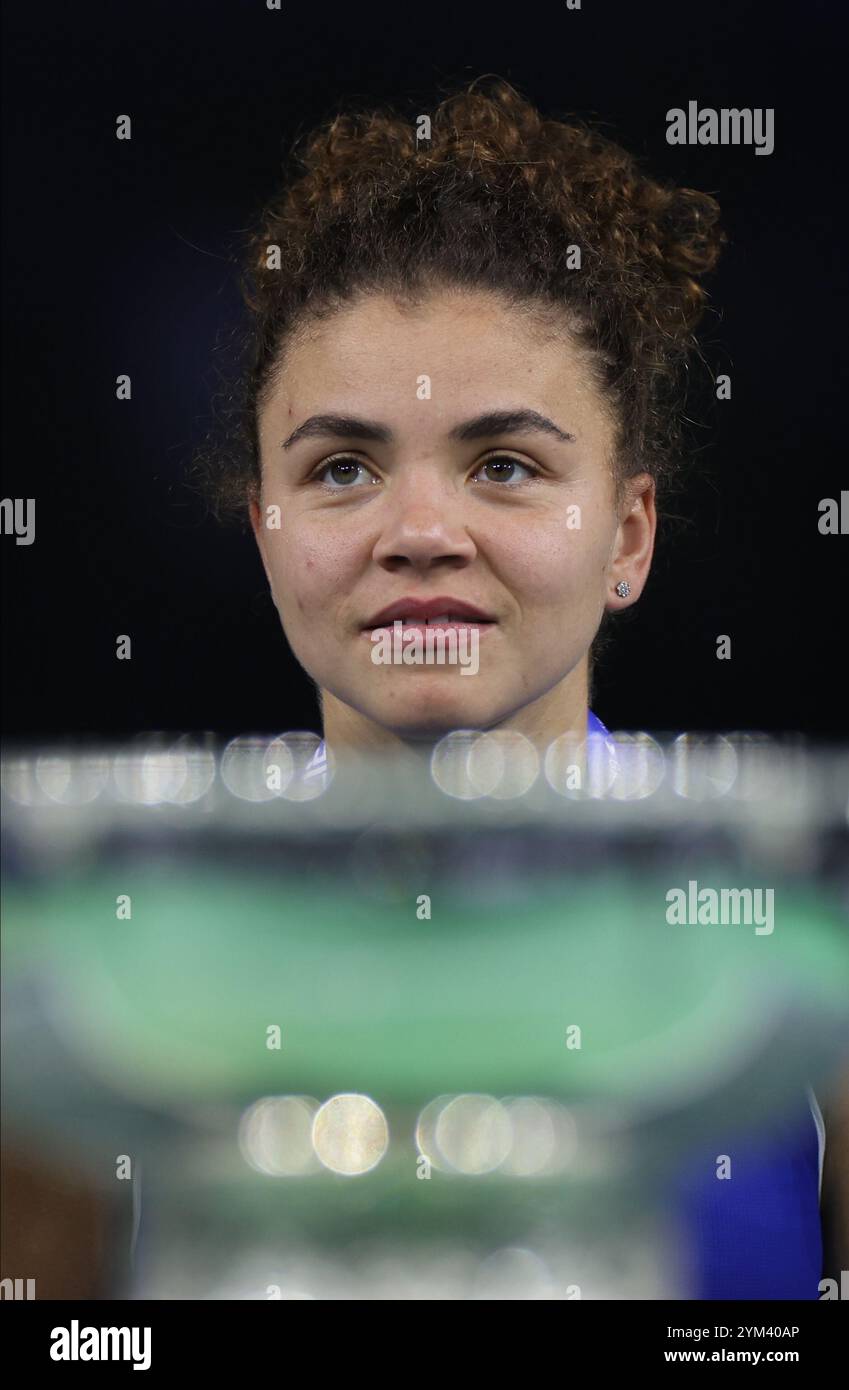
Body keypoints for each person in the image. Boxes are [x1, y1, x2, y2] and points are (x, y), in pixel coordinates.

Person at [194, 76, 847, 1297]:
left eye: (502, 464)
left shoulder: (804, 943)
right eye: (343, 468)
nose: (420, 533)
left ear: (629, 536)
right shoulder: (111, 951)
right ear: (265, 532)